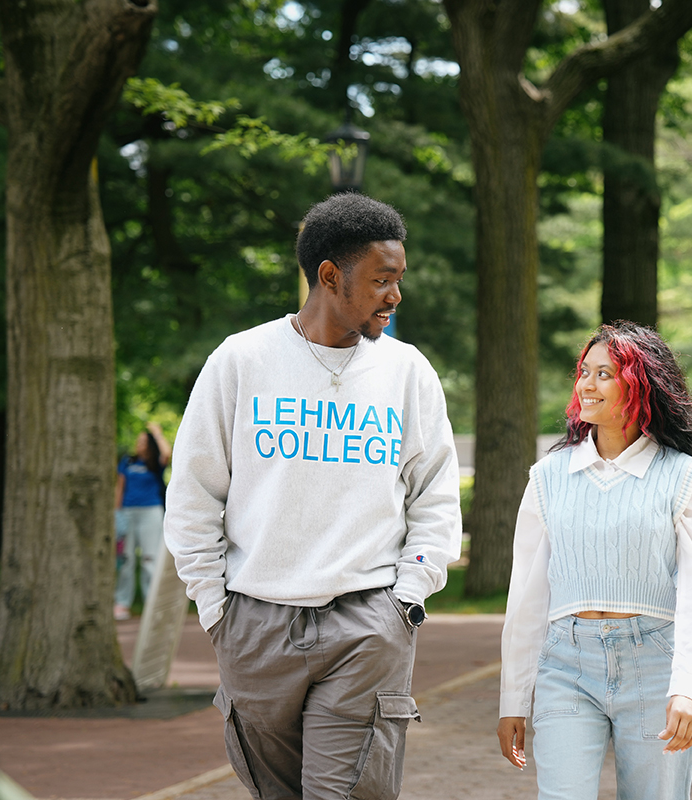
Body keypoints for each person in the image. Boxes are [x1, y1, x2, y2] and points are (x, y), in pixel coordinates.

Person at [164, 193, 462, 800]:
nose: (395, 296)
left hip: (367, 623)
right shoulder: (241, 361)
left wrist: (406, 600)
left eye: (398, 279)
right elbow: (194, 493)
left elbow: (434, 498)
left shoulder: (407, 372)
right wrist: (216, 609)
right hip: (255, 625)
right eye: (381, 280)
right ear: (330, 276)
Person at [497, 323, 692, 800]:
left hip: (656, 665)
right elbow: (526, 596)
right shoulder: (548, 476)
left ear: (641, 384)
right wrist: (513, 698)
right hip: (565, 666)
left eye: (604, 374)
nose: (587, 384)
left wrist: (690, 688)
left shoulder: (682, 476)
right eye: (584, 372)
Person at [113, 421, 172, 621]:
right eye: (138, 442)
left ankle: (153, 604)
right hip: (127, 513)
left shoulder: (155, 464)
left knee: (150, 559)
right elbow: (120, 488)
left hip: (151, 512)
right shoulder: (127, 462)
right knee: (126, 559)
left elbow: (167, 453)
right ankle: (122, 603)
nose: (140, 445)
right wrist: (117, 514)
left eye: (144, 442)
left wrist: (157, 433)